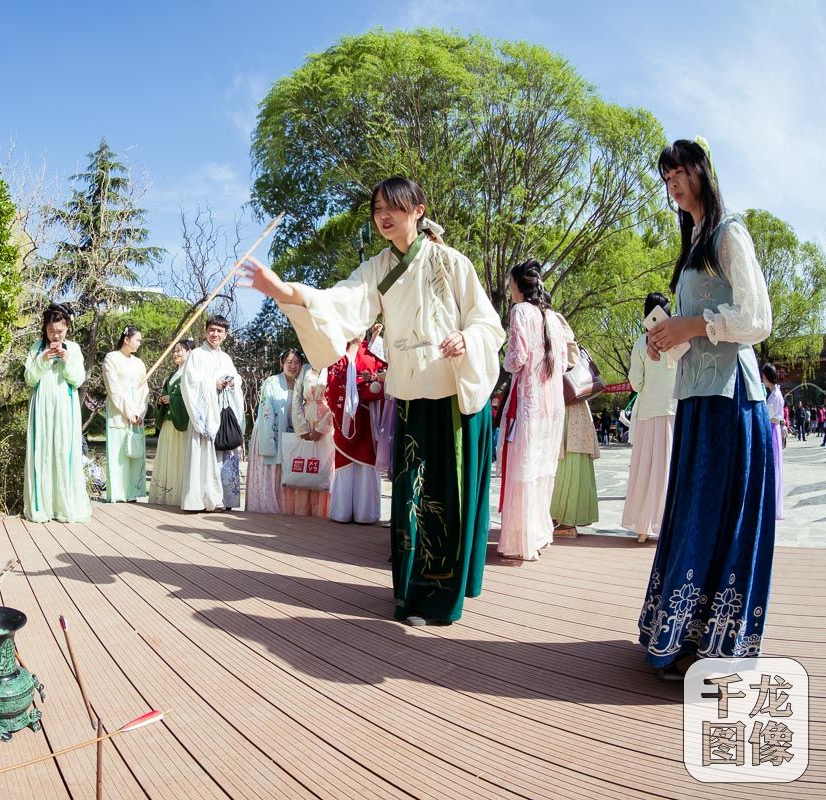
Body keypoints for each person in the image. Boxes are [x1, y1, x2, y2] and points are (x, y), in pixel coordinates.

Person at [241, 176, 504, 626]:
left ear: (418, 209)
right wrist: (285, 291)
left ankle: (440, 593)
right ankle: (411, 593)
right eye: (378, 208)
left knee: (447, 496)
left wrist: (467, 339)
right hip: (409, 394)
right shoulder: (380, 268)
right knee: (409, 494)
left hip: (451, 393)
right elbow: (342, 302)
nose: (385, 216)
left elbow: (488, 323)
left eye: (395, 207)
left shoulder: (452, 263)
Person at [637, 138, 775, 679]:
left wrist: (691, 325)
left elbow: (757, 320)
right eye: (665, 173)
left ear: (702, 171)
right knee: (695, 515)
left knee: (720, 519)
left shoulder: (728, 232)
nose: (671, 180)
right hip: (697, 398)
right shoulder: (694, 239)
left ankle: (717, 646)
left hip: (731, 401)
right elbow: (700, 324)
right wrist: (666, 338)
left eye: (679, 169)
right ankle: (681, 635)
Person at [496, 260, 568, 561]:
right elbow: (563, 363)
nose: (508, 287)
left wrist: (501, 361)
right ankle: (538, 534)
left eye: (510, 281)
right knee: (540, 471)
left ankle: (518, 540)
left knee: (522, 470)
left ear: (518, 284)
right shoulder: (553, 317)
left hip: (528, 402)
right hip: (551, 406)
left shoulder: (520, 312)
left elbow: (517, 359)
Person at [23, 304, 92, 523]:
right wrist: (42, 360)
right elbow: (29, 379)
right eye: (52, 331)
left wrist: (66, 360)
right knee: (41, 452)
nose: (56, 335)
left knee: (65, 451)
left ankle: (65, 507)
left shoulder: (74, 348)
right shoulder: (36, 348)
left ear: (67, 328)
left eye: (60, 331)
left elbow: (78, 379)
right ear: (45, 329)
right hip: (42, 404)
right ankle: (40, 507)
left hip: (65, 405)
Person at [622, 293, 679, 543]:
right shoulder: (677, 340)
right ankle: (669, 523)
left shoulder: (640, 343)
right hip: (673, 412)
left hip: (647, 414)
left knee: (644, 469)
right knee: (669, 469)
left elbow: (636, 383)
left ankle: (643, 526)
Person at [181, 315, 246, 511]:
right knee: (203, 454)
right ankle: (201, 500)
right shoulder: (196, 355)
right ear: (205, 331)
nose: (215, 334)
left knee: (223, 455)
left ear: (226, 335)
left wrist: (233, 382)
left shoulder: (226, 358)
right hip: (205, 412)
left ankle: (222, 500)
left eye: (219, 331)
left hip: (222, 412)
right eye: (212, 330)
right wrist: (212, 384)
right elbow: (189, 383)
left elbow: (237, 378)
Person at [325, 336, 388, 524]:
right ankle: (342, 512)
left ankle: (365, 514)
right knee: (345, 463)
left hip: (369, 416)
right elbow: (333, 383)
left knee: (367, 461)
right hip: (345, 416)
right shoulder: (337, 350)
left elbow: (386, 376)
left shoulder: (375, 349)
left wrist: (374, 381)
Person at [550, 314, 600, 537]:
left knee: (565, 460)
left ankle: (566, 521)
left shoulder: (555, 323)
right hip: (570, 406)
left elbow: (569, 357)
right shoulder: (553, 321)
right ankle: (558, 517)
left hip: (567, 405)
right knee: (564, 460)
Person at [245, 349, 305, 514]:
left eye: (297, 362)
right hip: (268, 430)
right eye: (289, 362)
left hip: (288, 435)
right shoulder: (271, 382)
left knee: (284, 471)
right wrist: (269, 441)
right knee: (269, 470)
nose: (293, 366)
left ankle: (285, 508)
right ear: (282, 363)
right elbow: (267, 412)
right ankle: (265, 507)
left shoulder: (302, 384)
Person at [103, 326, 148, 502]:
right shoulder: (111, 358)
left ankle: (134, 492)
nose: (139, 343)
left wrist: (139, 412)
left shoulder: (139, 363)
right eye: (137, 339)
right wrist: (128, 412)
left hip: (137, 417)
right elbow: (113, 388)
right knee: (118, 455)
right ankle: (118, 494)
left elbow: (145, 390)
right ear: (126, 339)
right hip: (118, 414)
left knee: (136, 454)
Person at [149, 339, 195, 506]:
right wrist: (162, 400)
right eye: (174, 351)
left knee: (179, 458)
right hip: (169, 423)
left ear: (189, 352)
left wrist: (173, 400)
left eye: (179, 350)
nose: (175, 354)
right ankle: (165, 496)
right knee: (167, 457)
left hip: (181, 423)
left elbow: (192, 399)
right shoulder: (171, 375)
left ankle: (178, 496)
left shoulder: (192, 374)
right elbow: (165, 393)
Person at [287, 365, 333, 517]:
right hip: (306, 417)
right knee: (306, 462)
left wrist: (322, 427)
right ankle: (303, 511)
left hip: (327, 419)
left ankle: (323, 511)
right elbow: (297, 397)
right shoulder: (305, 368)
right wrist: (301, 426)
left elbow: (338, 395)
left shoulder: (333, 366)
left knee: (324, 462)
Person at [761, 364, 786, 520]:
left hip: (772, 428)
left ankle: (773, 504)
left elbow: (769, 414)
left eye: (763, 376)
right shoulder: (774, 393)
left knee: (773, 465)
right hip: (773, 427)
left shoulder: (775, 395)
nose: (762, 379)